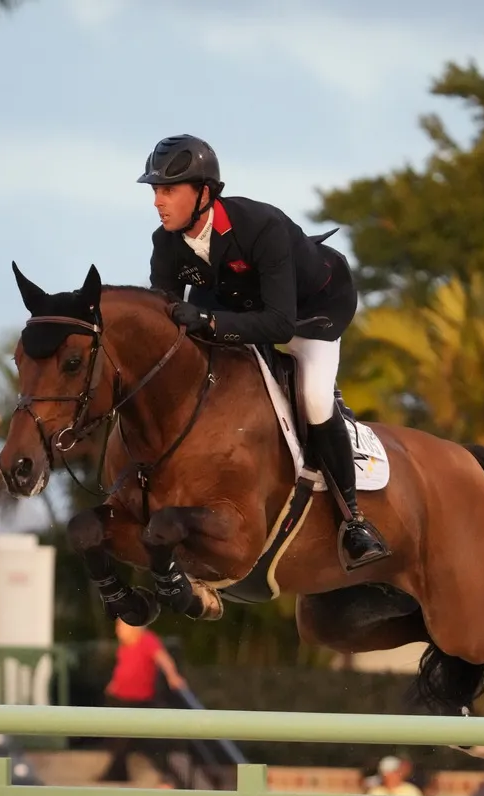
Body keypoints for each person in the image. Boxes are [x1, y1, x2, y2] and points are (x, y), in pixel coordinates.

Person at [138, 133, 389, 571]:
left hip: (311, 313)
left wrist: (211, 322)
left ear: (204, 193)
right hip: (241, 306)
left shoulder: (261, 227)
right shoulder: (167, 243)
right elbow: (167, 321)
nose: (159, 202)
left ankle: (354, 521)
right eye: (156, 190)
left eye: (169, 190)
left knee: (313, 398)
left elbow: (278, 324)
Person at [103, 617, 186, 780]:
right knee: (118, 739)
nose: (117, 630)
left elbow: (163, 659)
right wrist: (113, 684)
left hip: (137, 700)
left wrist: (173, 676)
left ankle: (118, 775)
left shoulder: (147, 640)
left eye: (121, 626)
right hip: (120, 698)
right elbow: (123, 668)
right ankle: (117, 774)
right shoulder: (125, 647)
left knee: (130, 739)